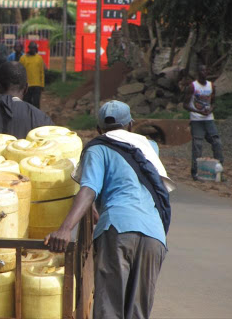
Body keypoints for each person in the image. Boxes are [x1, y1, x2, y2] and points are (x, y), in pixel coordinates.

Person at [45, 100, 172, 319]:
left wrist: (65, 229)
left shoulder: (98, 147)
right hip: (154, 235)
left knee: (109, 310)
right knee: (138, 312)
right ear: (131, 125)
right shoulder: (149, 147)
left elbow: (88, 189)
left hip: (118, 230)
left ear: (98, 130)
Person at [183, 64, 224, 181]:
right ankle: (195, 172)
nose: (204, 72)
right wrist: (197, 111)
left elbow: (214, 102)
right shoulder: (193, 86)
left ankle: (220, 171)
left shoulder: (211, 86)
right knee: (198, 145)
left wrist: (210, 110)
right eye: (202, 70)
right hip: (196, 119)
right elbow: (185, 104)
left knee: (217, 142)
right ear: (198, 73)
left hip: (209, 119)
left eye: (206, 70)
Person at [20, 41, 45, 108]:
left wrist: (42, 84)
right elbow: (20, 72)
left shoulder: (39, 58)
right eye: (31, 48)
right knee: (26, 102)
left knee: (36, 103)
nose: (33, 49)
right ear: (29, 48)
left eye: (34, 48)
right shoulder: (23, 58)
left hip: (37, 85)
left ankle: (36, 117)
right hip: (27, 85)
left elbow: (41, 72)